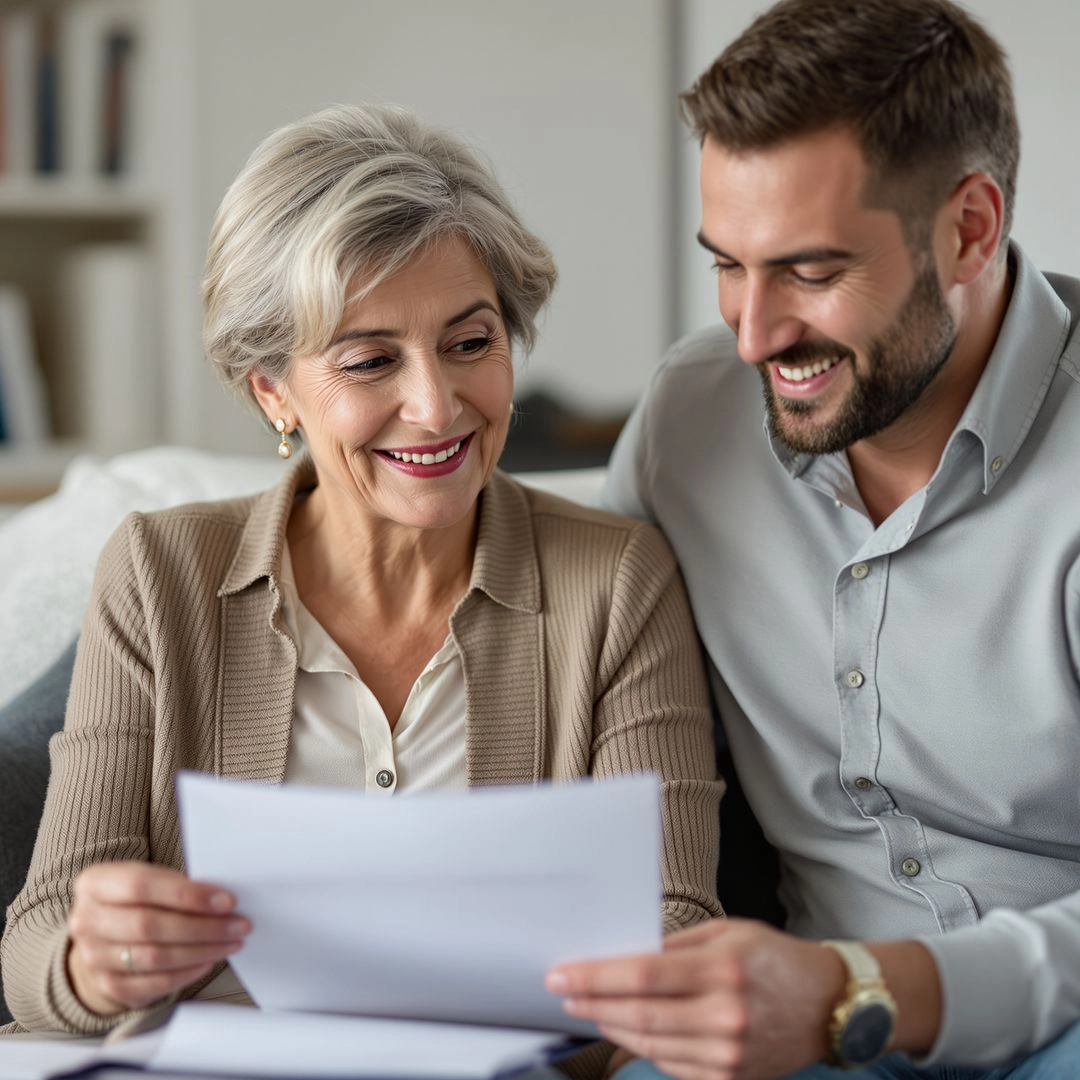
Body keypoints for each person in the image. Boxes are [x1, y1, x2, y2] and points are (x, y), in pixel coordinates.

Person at [0, 104, 722, 1043]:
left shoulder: (616, 581)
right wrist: (92, 965)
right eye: (371, 360)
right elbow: (37, 940)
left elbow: (677, 919)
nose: (435, 405)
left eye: (470, 343)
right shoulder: (157, 574)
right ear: (273, 392)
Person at [544, 1, 1080, 1077]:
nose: (752, 334)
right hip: (793, 1032)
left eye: (811, 272)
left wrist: (863, 991)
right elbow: (584, 705)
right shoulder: (689, 420)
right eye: (728, 265)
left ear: (970, 228)